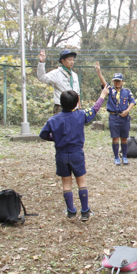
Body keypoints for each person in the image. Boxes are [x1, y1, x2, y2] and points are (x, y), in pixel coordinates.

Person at [39, 87, 109, 221]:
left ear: (61, 103)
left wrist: (55, 138)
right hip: (77, 154)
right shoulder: (81, 115)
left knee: (66, 183)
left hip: (61, 155)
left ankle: (71, 211)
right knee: (81, 182)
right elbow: (94, 108)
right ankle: (85, 211)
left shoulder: (53, 119)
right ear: (77, 103)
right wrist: (102, 95)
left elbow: (42, 134)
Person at [95, 63, 136, 165]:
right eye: (115, 81)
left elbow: (132, 102)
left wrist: (127, 111)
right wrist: (99, 72)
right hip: (114, 117)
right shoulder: (110, 90)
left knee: (124, 137)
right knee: (115, 137)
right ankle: (116, 157)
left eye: (119, 81)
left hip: (124, 117)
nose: (117, 83)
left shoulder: (127, 91)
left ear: (122, 81)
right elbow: (104, 83)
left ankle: (125, 157)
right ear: (113, 81)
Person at [37, 49, 80, 114]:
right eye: (69, 60)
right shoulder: (56, 73)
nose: (72, 62)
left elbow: (77, 93)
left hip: (74, 108)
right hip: (61, 108)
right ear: (62, 61)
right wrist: (41, 63)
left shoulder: (74, 75)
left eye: (73, 60)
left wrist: (79, 107)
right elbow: (42, 78)